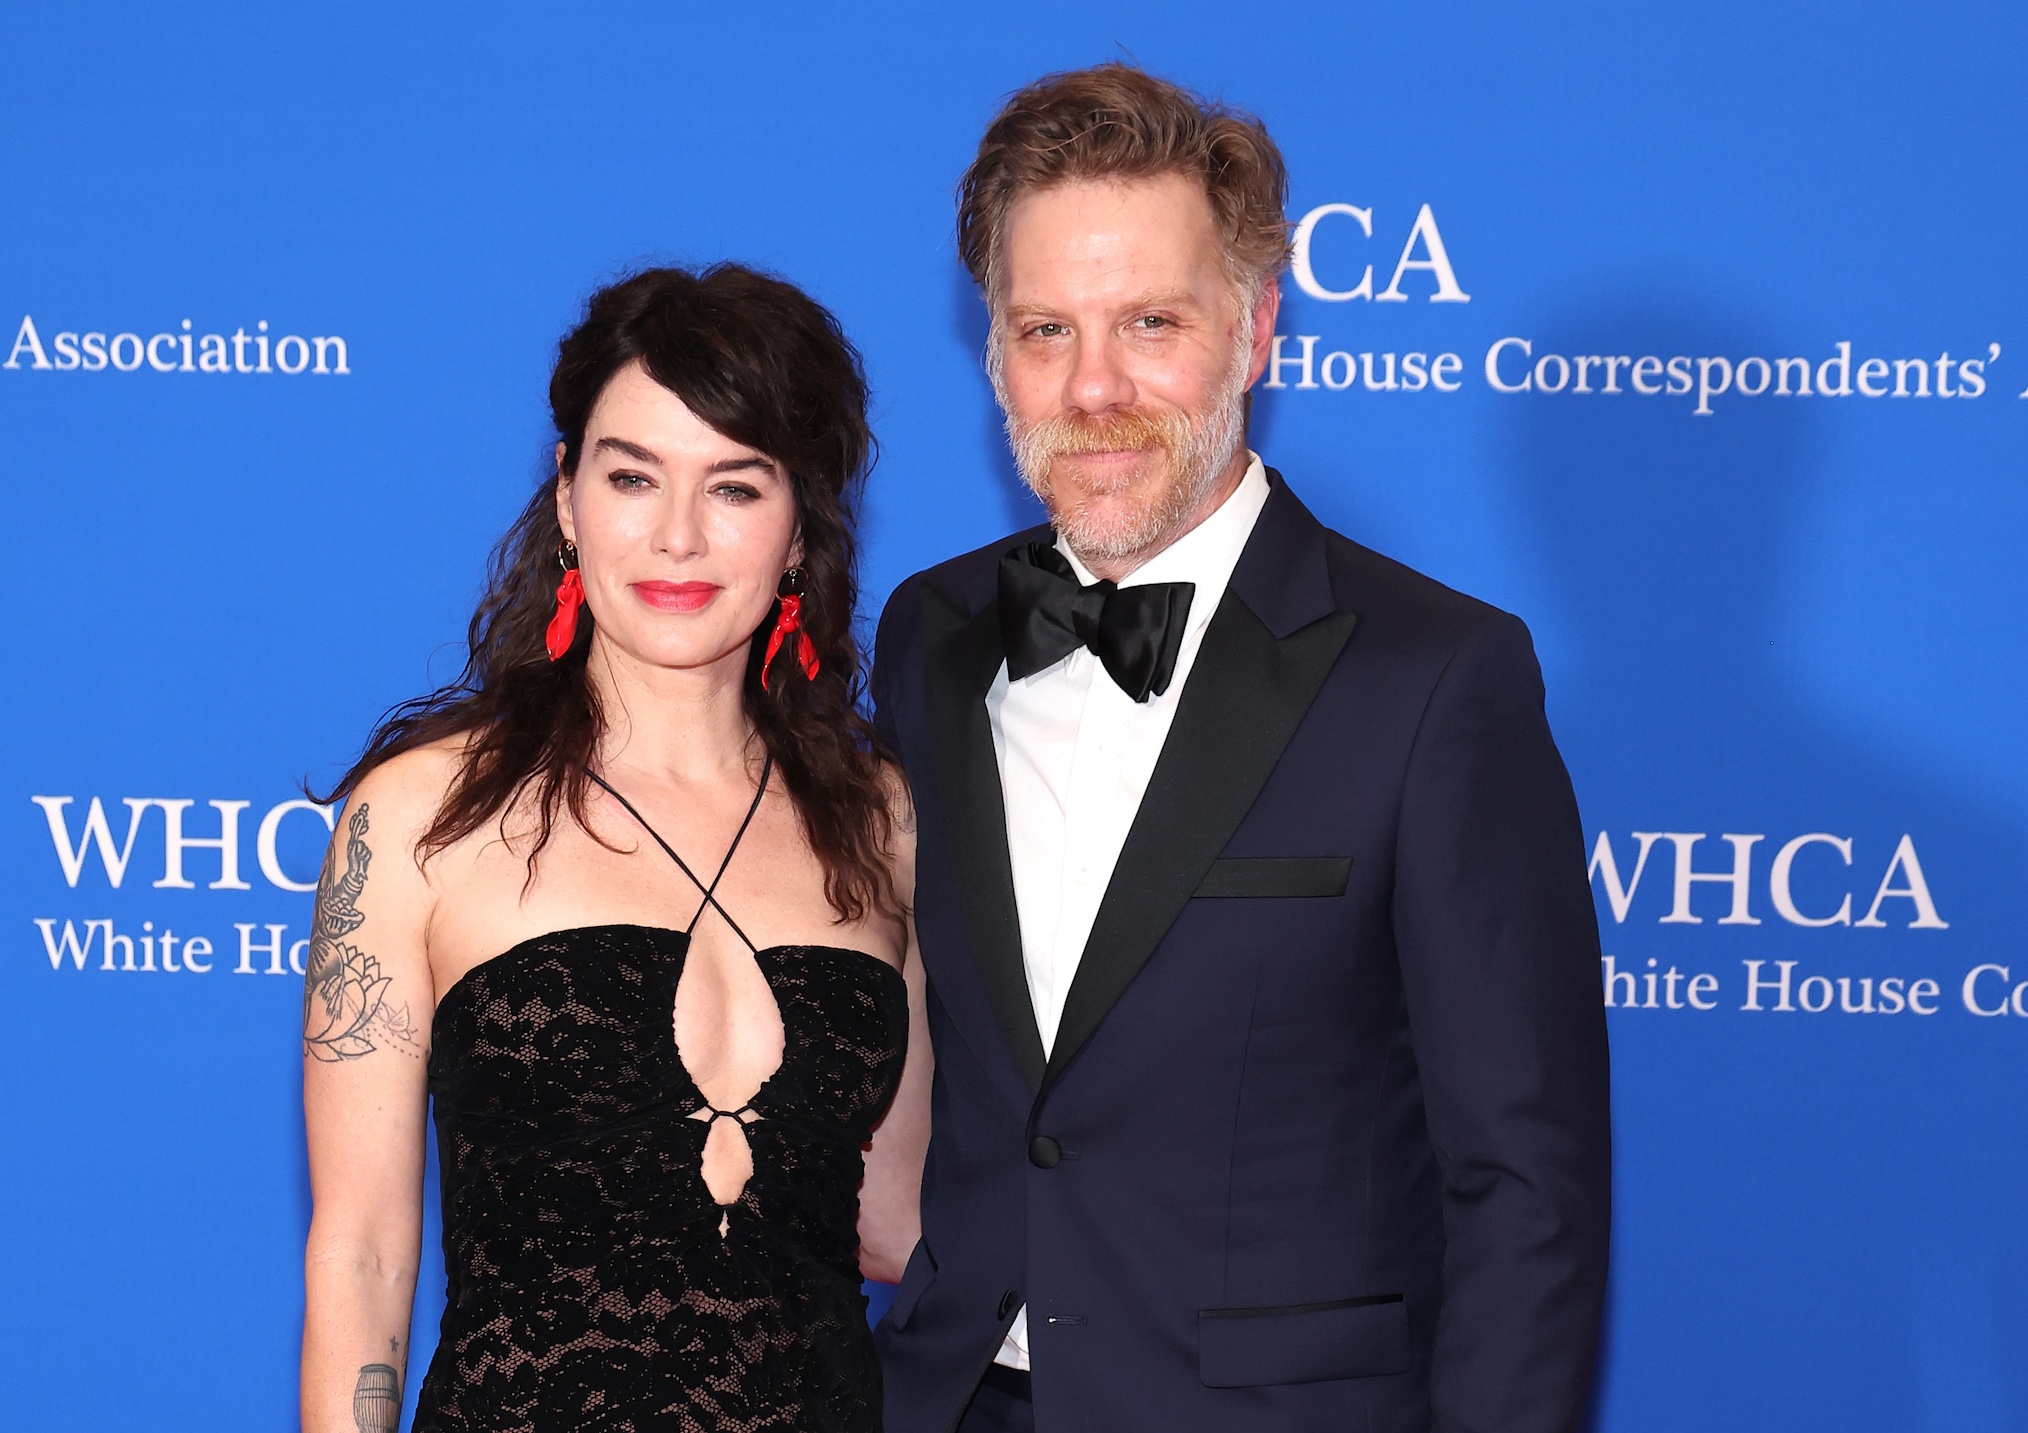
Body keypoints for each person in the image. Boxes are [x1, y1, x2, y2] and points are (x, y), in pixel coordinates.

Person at [871, 64, 1611, 1433]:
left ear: (1257, 328)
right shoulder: (931, 635)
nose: (1093, 386)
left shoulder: (1436, 677)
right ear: (990, 350)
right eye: (1045, 328)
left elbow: (1527, 1186)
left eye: (1153, 322)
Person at [300, 264, 932, 1433]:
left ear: (801, 526)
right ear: (568, 495)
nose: (678, 536)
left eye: (735, 486)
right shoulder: (420, 817)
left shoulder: (882, 819)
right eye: (633, 475)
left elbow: (902, 1220)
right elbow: (365, 1254)